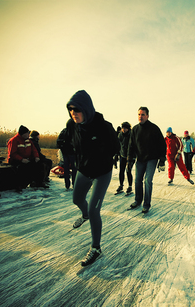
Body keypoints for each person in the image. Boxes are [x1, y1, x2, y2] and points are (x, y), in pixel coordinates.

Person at [65, 90, 119, 266]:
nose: (74, 113)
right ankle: (85, 214)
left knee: (95, 210)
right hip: (83, 170)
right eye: (71, 110)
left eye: (77, 110)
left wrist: (102, 156)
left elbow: (115, 146)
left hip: (101, 173)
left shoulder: (104, 126)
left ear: (86, 109)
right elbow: (67, 141)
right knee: (77, 199)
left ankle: (96, 248)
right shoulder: (71, 125)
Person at [127, 107, 166, 213]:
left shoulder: (154, 128)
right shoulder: (135, 129)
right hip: (140, 159)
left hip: (152, 159)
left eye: (143, 114)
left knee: (148, 181)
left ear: (147, 116)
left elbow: (162, 144)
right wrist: (129, 159)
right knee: (137, 180)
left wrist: (162, 160)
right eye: (139, 114)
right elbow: (131, 145)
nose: (140, 117)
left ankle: (146, 204)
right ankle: (138, 200)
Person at [116, 122, 134, 195]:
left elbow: (134, 145)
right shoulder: (120, 135)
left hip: (131, 156)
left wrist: (132, 156)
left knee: (128, 170)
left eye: (125, 128)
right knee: (121, 171)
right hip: (123, 155)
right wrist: (117, 154)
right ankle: (121, 185)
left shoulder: (131, 135)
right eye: (123, 128)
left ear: (128, 128)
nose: (123, 129)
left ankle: (130, 186)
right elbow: (118, 144)